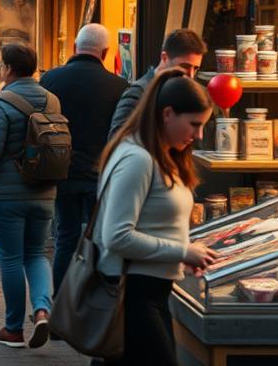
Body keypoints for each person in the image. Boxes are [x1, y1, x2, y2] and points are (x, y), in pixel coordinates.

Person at [96, 70, 216, 366]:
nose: (198, 135)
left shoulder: (161, 155)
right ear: (167, 114)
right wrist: (182, 250)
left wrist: (184, 252)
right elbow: (118, 235)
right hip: (134, 294)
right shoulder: (138, 159)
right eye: (194, 125)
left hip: (151, 292)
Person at [0, 44, 58, 349]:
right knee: (37, 254)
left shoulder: (2, 102)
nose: (1, 69)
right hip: (45, 190)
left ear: (9, 69)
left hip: (9, 192)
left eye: (2, 65)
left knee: (12, 258)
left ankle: (13, 328)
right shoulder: (52, 99)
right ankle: (42, 310)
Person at [38, 23, 128, 291]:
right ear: (106, 52)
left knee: (65, 236)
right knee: (100, 237)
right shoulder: (119, 86)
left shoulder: (51, 79)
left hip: (61, 171)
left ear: (75, 47)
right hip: (100, 174)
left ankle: (60, 301)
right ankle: (94, 300)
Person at [108, 29, 206, 138]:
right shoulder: (138, 92)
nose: (191, 75)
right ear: (164, 58)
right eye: (185, 66)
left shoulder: (184, 93)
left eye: (195, 68)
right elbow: (116, 139)